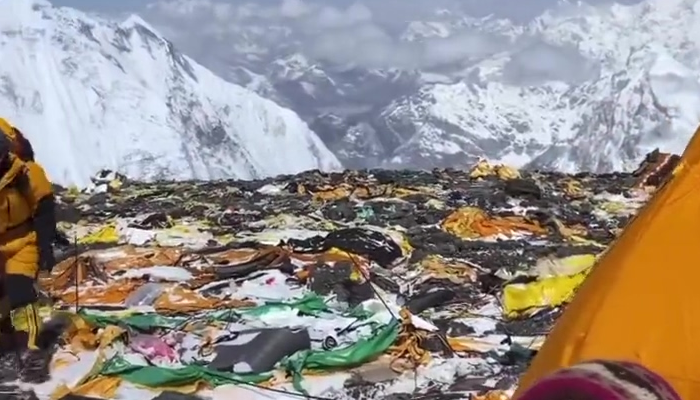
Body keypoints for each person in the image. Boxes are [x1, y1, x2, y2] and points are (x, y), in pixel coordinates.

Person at [0, 131, 56, 382]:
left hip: (23, 241)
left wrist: (46, 248)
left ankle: (30, 350)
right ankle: (7, 345)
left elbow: (44, 212)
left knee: (20, 293)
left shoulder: (26, 174)